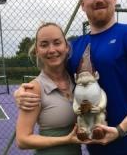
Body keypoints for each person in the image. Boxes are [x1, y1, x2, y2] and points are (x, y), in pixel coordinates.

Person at [15, 0, 127, 155]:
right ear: (82, 4)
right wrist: (23, 91)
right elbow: (54, 77)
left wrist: (119, 130)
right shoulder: (74, 48)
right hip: (95, 149)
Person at [15, 22, 85, 155]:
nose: (51, 50)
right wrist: (66, 139)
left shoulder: (76, 81)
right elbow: (22, 140)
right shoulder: (33, 89)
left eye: (57, 42)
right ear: (37, 51)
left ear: (67, 47)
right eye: (44, 44)